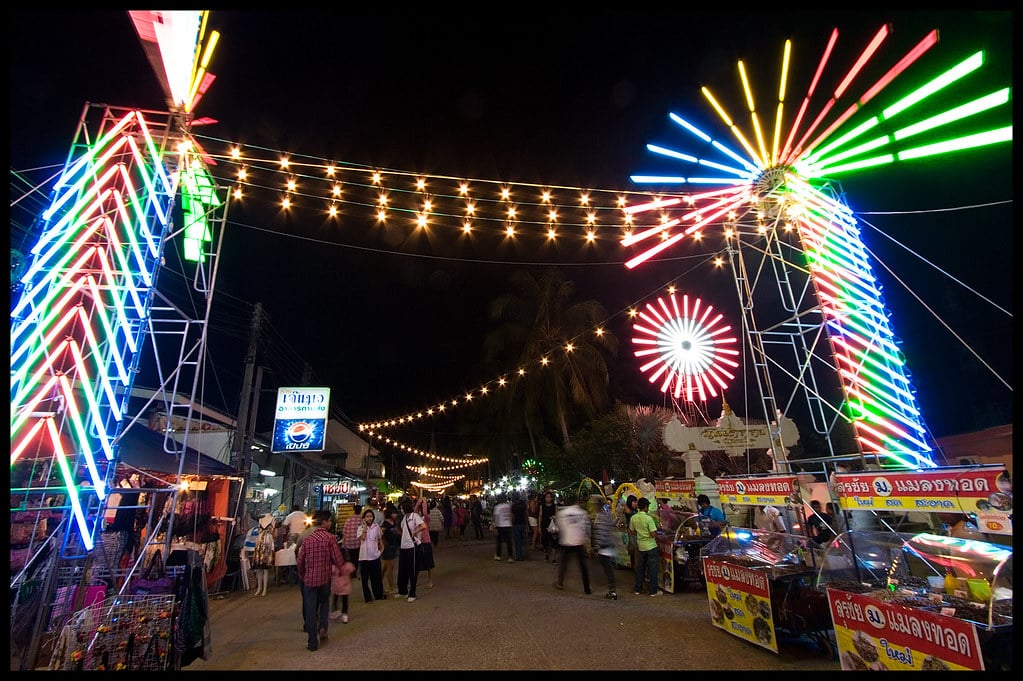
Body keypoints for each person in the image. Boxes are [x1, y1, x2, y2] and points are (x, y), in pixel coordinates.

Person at [296, 509, 343, 652]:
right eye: (329, 521)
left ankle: (312, 641)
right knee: (324, 603)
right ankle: (323, 628)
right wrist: (340, 570)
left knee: (310, 609)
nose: (330, 523)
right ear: (323, 523)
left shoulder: (307, 539)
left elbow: (300, 560)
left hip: (309, 580)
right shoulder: (330, 538)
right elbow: (337, 559)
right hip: (324, 578)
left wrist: (302, 575)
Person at [553, 496, 591, 594]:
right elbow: (586, 527)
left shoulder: (562, 513)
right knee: (583, 566)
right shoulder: (583, 513)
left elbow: (559, 526)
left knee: (564, 563)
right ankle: (587, 588)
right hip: (579, 541)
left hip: (567, 541)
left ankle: (560, 582)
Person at [630, 497, 662, 597]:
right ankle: (653, 591)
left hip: (641, 547)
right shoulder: (649, 519)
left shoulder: (633, 518)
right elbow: (653, 534)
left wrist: (640, 533)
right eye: (647, 506)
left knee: (640, 569)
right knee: (653, 569)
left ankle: (638, 589)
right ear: (645, 506)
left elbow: (631, 531)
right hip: (651, 546)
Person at [397, 498, 427, 602]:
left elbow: (423, 526)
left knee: (412, 570)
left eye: (401, 508)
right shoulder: (404, 518)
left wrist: (415, 532)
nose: (401, 510)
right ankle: (403, 591)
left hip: (412, 546)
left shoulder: (415, 516)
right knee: (403, 569)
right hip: (404, 546)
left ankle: (412, 593)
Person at [356, 507, 386, 603]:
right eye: (367, 517)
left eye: (371, 516)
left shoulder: (376, 527)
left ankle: (378, 594)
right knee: (365, 579)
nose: (369, 518)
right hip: (364, 557)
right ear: (364, 518)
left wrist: (381, 549)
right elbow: (362, 538)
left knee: (376, 577)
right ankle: (368, 597)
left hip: (375, 556)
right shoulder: (360, 528)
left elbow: (380, 538)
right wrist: (365, 528)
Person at [591, 495, 618, 600]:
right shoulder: (605, 515)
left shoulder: (600, 516)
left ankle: (612, 591)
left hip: (604, 546)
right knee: (607, 568)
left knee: (607, 569)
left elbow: (601, 533)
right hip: (607, 545)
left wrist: (596, 547)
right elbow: (610, 526)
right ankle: (611, 589)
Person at [250, 513, 277, 597]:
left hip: (267, 544)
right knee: (259, 568)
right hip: (260, 544)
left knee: (265, 568)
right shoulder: (261, 519)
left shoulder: (273, 519)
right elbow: (274, 534)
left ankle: (264, 588)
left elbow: (274, 534)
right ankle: (260, 588)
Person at [413, 496, 437, 588]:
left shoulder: (426, 519)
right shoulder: (415, 519)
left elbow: (425, 512)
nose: (419, 512)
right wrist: (418, 503)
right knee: (417, 563)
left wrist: (424, 503)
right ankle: (414, 580)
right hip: (418, 542)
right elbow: (414, 512)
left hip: (426, 542)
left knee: (429, 563)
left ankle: (430, 581)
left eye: (420, 511)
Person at [328, 558, 355, 624]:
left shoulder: (333, 567)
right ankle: (344, 614)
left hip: (336, 587)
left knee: (335, 599)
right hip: (345, 586)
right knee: (345, 600)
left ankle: (335, 610)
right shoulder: (347, 565)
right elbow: (352, 570)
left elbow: (329, 572)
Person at [380, 507, 400, 595]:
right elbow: (380, 534)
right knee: (390, 568)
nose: (395, 515)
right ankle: (392, 587)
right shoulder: (385, 524)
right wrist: (383, 544)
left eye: (396, 513)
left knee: (385, 567)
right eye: (393, 513)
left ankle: (377, 583)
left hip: (393, 547)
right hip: (387, 548)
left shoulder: (393, 522)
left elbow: (397, 532)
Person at [341, 504, 363, 579]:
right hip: (358, 543)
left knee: (351, 558)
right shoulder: (362, 520)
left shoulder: (348, 520)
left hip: (349, 543)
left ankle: (352, 572)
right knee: (357, 558)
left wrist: (343, 543)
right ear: (361, 511)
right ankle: (355, 572)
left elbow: (344, 532)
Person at [538, 490, 558, 564]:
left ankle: (554, 558)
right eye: (547, 497)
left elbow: (557, 515)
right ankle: (547, 554)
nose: (548, 498)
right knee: (545, 541)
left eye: (549, 497)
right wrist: (539, 527)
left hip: (553, 526)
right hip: (544, 525)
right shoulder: (542, 506)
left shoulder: (554, 506)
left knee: (554, 542)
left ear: (552, 498)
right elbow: (540, 516)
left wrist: (554, 518)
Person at [492, 494, 514, 562]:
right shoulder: (509, 506)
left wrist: (495, 526)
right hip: (508, 525)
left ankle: (498, 555)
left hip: (500, 525)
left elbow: (496, 517)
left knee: (499, 541)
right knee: (509, 542)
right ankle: (510, 556)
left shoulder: (497, 507)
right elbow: (511, 515)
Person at [510, 492, 529, 561]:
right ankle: (524, 554)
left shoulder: (513, 506)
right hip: (523, 523)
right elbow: (526, 514)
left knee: (517, 541)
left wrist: (512, 524)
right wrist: (526, 523)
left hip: (516, 524)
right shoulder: (523, 504)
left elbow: (512, 516)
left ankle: (519, 556)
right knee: (523, 540)